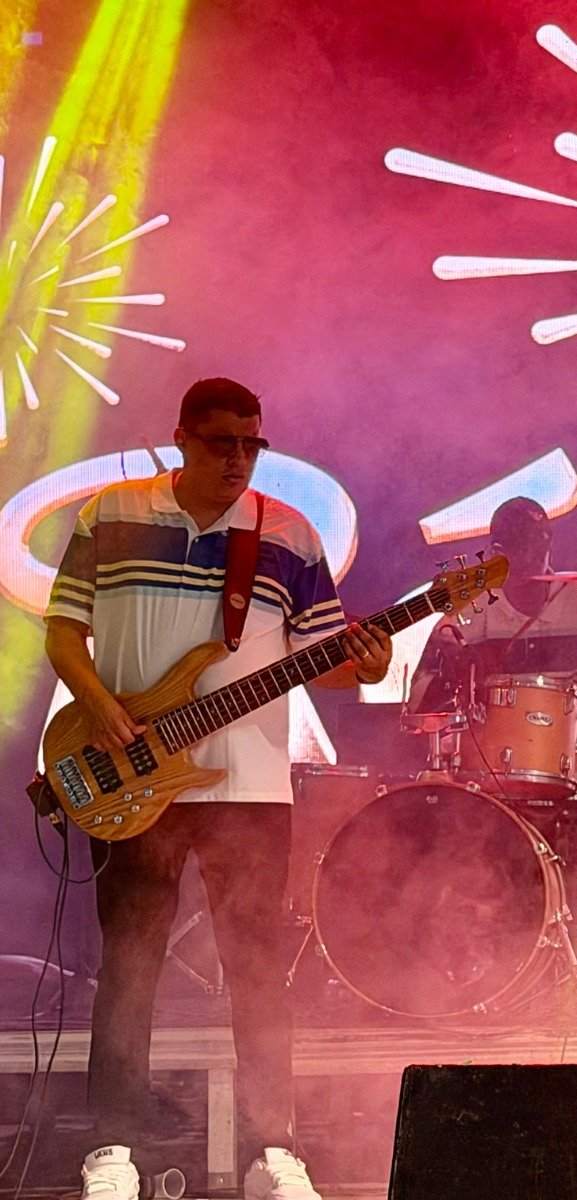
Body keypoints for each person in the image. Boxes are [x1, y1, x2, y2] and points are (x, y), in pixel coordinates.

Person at [44, 378, 393, 1200]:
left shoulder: (289, 533)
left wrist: (366, 667)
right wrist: (101, 710)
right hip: (133, 775)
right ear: (182, 439)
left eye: (251, 444)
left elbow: (323, 659)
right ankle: (113, 1152)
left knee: (258, 968)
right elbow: (62, 630)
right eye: (221, 442)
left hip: (251, 785)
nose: (238, 459)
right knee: (129, 964)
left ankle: (274, 1152)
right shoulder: (111, 513)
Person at [407, 496, 577, 747]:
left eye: (537, 546)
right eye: (519, 546)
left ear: (550, 545)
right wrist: (456, 675)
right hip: (492, 757)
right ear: (496, 551)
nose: (530, 556)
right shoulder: (470, 612)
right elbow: (419, 701)